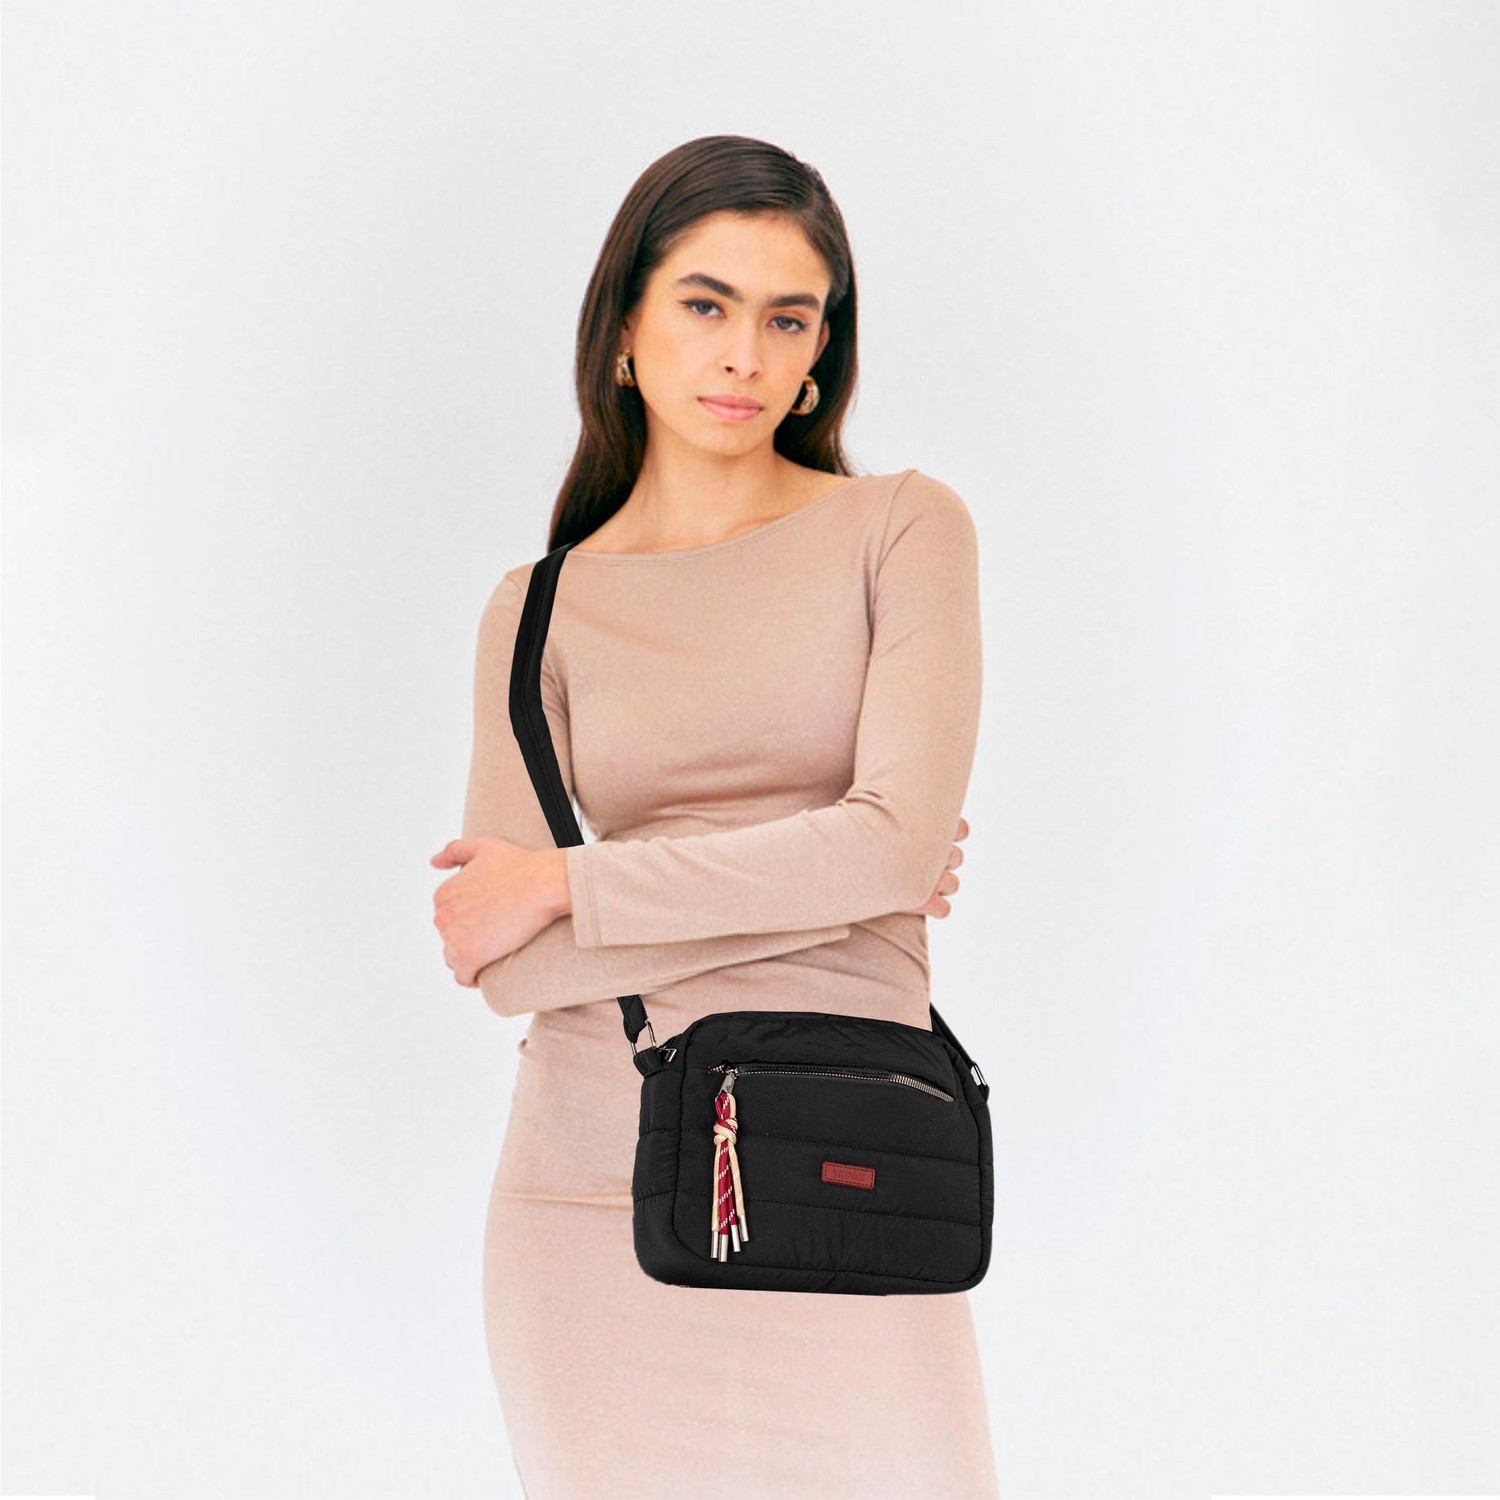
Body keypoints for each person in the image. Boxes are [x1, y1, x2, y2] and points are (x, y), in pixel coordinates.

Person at [430, 134, 1000, 1500]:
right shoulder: (537, 610)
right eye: (706, 303)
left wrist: (573, 883)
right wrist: (832, 880)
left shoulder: (903, 530)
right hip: (587, 1201)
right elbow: (503, 961)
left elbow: (893, 846)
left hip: (854, 1164)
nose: (744, 352)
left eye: (786, 317)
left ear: (819, 353)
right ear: (625, 327)